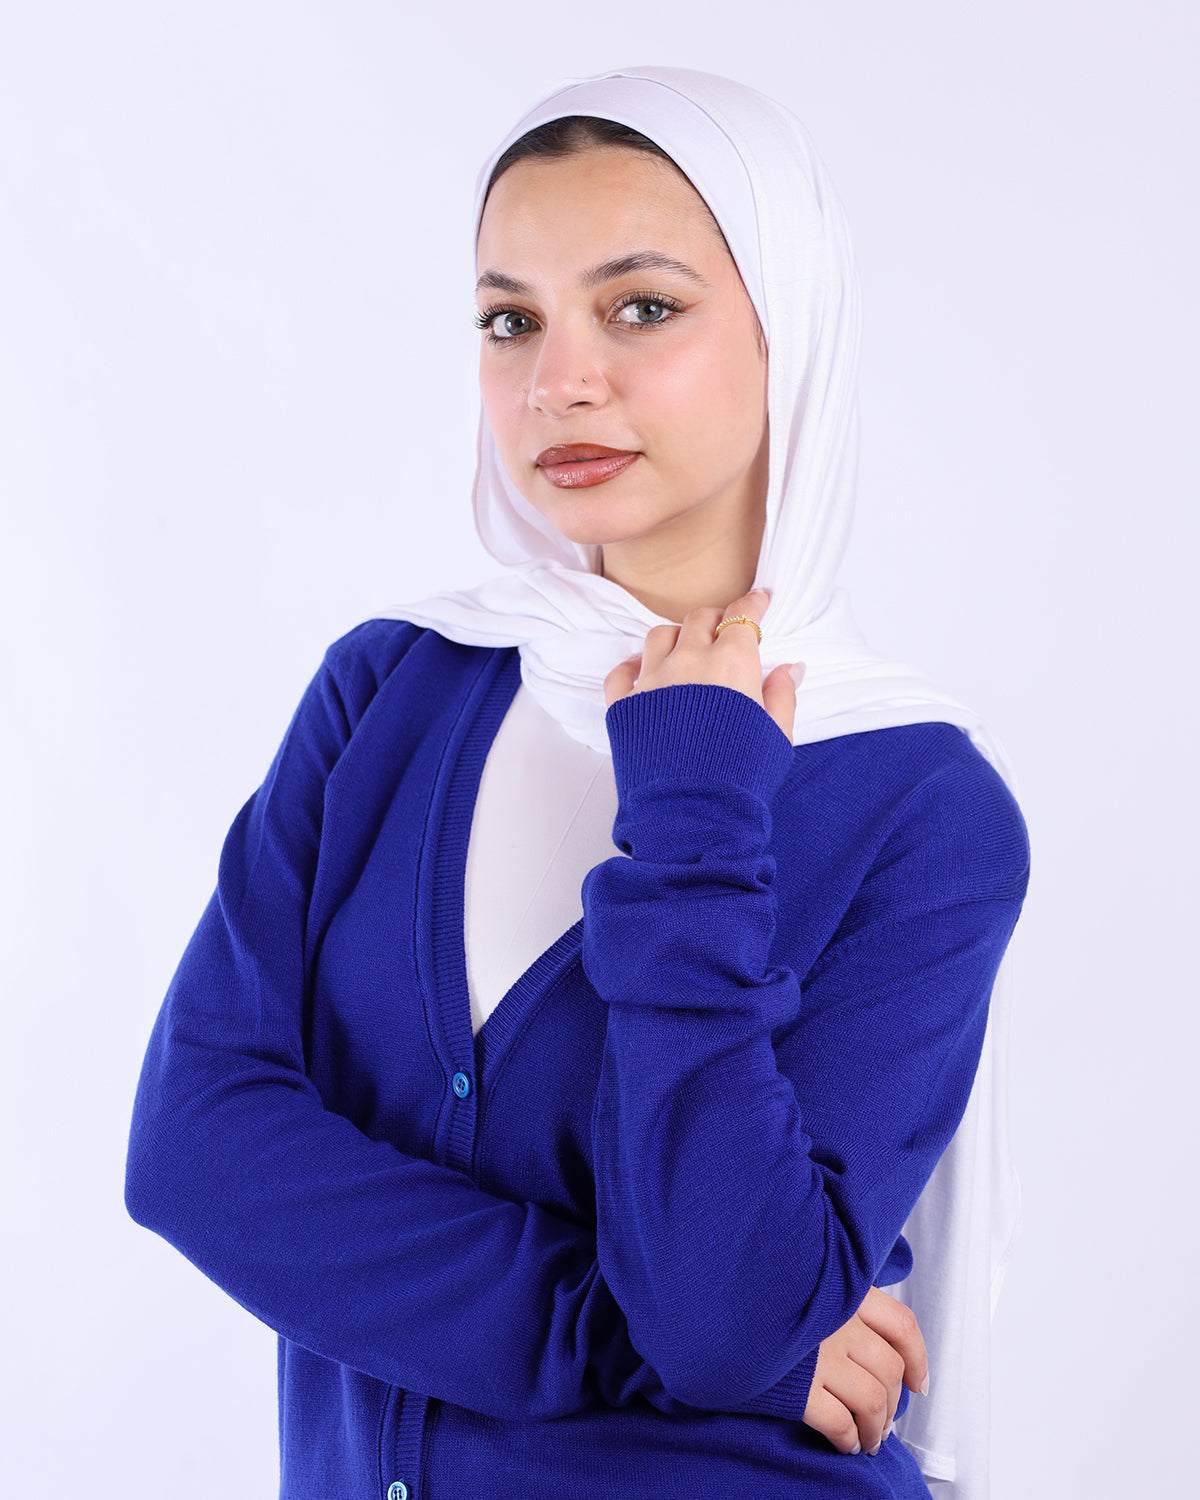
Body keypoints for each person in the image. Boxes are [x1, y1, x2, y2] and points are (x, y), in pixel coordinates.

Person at [125, 66, 1029, 1500]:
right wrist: (642, 1336)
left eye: (642, 307)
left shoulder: (919, 808)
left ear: (787, 336)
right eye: (510, 320)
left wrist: (698, 802)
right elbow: (191, 1150)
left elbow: (727, 1312)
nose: (561, 381)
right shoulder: (397, 692)